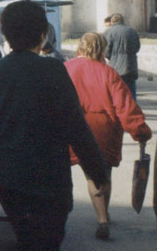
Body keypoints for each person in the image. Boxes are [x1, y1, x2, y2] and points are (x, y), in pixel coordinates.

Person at [0, 0, 109, 251]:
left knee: (27, 238)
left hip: (6, 175)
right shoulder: (53, 70)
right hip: (47, 177)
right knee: (47, 241)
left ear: (5, 34)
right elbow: (75, 126)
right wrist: (97, 170)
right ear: (43, 34)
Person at [64, 32, 152, 239]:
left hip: (77, 126)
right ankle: (104, 216)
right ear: (103, 48)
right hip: (105, 129)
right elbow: (125, 106)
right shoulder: (108, 73)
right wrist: (140, 130)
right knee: (104, 173)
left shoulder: (67, 69)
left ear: (80, 47)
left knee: (91, 175)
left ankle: (102, 217)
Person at [103, 13, 141, 100]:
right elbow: (137, 47)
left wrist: (110, 57)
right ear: (123, 21)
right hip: (131, 67)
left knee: (117, 94)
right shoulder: (132, 31)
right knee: (131, 94)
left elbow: (106, 50)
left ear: (112, 21)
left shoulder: (108, 32)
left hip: (115, 68)